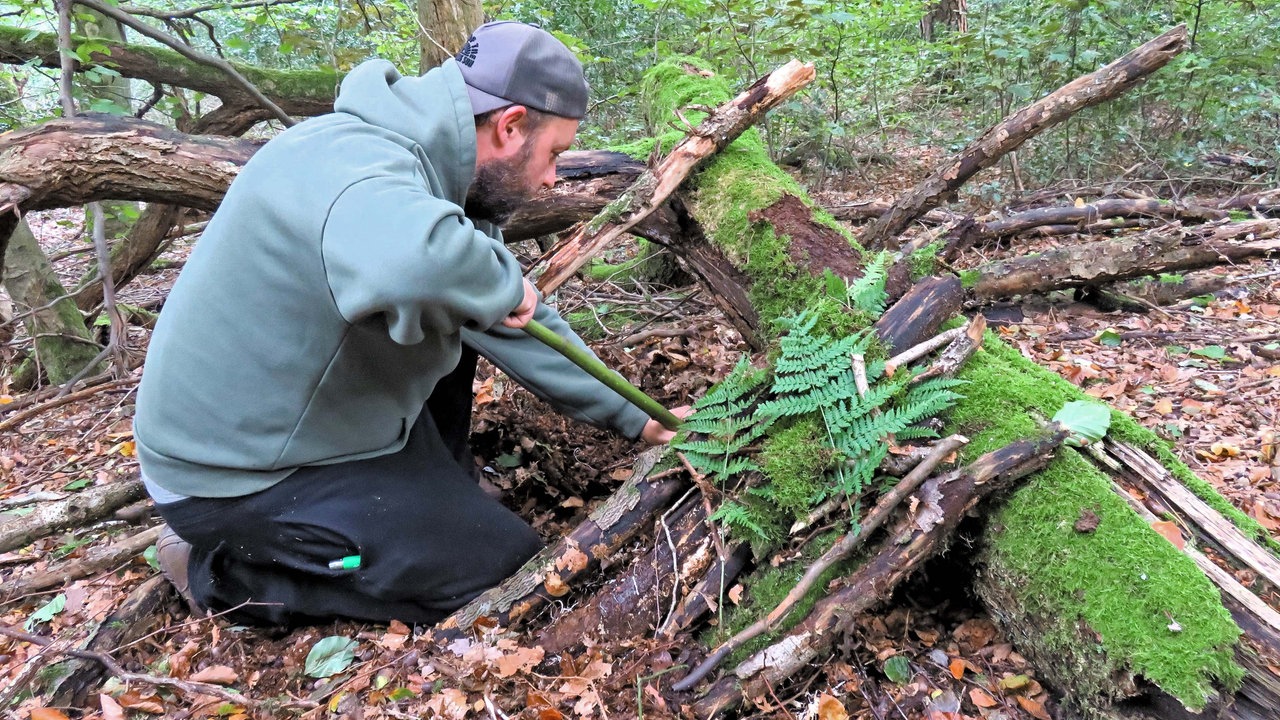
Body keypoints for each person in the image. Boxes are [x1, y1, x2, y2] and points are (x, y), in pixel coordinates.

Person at [134, 21, 685, 626]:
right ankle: (222, 573)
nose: (554, 177)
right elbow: (414, 265)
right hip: (238, 475)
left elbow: (503, 318)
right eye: (554, 153)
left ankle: (432, 496)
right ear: (510, 125)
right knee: (503, 568)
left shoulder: (438, 182)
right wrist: (500, 281)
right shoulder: (357, 169)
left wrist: (638, 419)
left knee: (462, 307)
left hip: (313, 417)